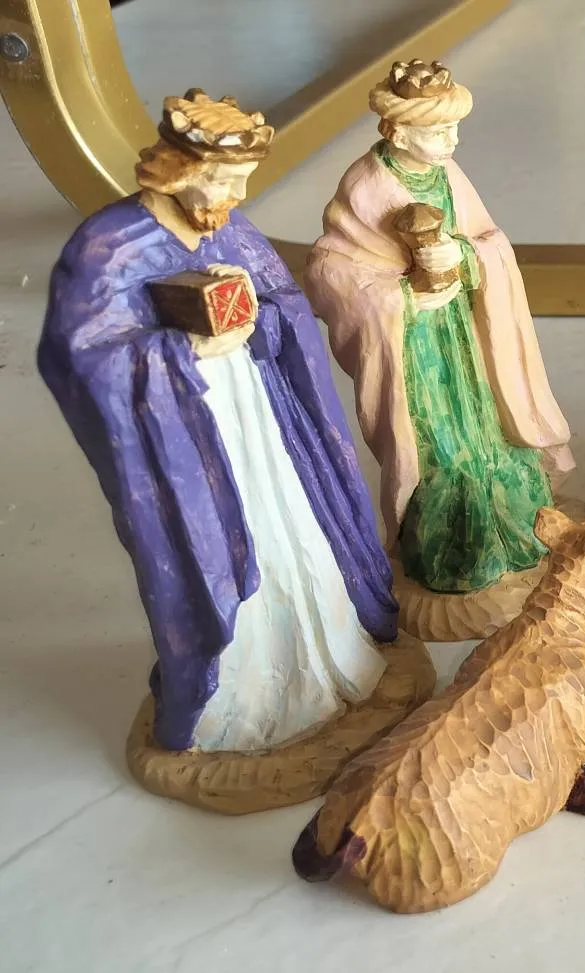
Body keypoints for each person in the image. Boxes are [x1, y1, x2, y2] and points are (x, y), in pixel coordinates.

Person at [39, 91, 396, 752]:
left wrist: (257, 307)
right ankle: (237, 699)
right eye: (223, 181)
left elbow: (285, 302)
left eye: (243, 182)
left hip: (261, 420)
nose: (235, 197)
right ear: (178, 171)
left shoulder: (227, 228)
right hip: (189, 438)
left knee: (288, 525)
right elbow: (80, 355)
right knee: (223, 551)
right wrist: (183, 349)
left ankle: (324, 656)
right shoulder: (108, 246)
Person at [308, 59, 572, 597]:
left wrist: (465, 256)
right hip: (414, 344)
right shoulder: (366, 185)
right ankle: (454, 554)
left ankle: (514, 536)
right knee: (442, 450)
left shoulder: (448, 173)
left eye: (454, 128)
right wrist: (403, 296)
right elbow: (329, 270)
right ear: (398, 131)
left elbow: (490, 240)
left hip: (466, 333)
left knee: (492, 431)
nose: (452, 141)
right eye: (438, 131)